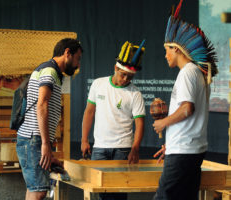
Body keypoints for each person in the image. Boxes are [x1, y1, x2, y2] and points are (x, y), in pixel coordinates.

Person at [153, 1, 218, 200]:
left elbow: (187, 109)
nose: (165, 55)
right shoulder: (195, 73)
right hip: (187, 150)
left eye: (167, 50)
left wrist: (163, 123)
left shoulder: (188, 73)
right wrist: (171, 146)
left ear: (177, 49)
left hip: (184, 152)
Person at [16, 38, 83, 200]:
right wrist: (45, 144)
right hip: (34, 138)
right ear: (67, 53)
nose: (78, 65)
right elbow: (42, 105)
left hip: (34, 139)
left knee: (34, 189)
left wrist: (49, 151)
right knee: (39, 191)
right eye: (77, 59)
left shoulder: (49, 71)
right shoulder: (49, 71)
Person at [81, 40, 146, 200]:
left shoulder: (135, 93)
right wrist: (84, 140)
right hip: (99, 147)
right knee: (97, 190)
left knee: (118, 192)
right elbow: (89, 112)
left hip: (122, 148)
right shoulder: (98, 84)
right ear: (115, 68)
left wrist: (135, 148)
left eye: (130, 77)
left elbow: (140, 123)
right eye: (123, 74)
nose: (125, 79)